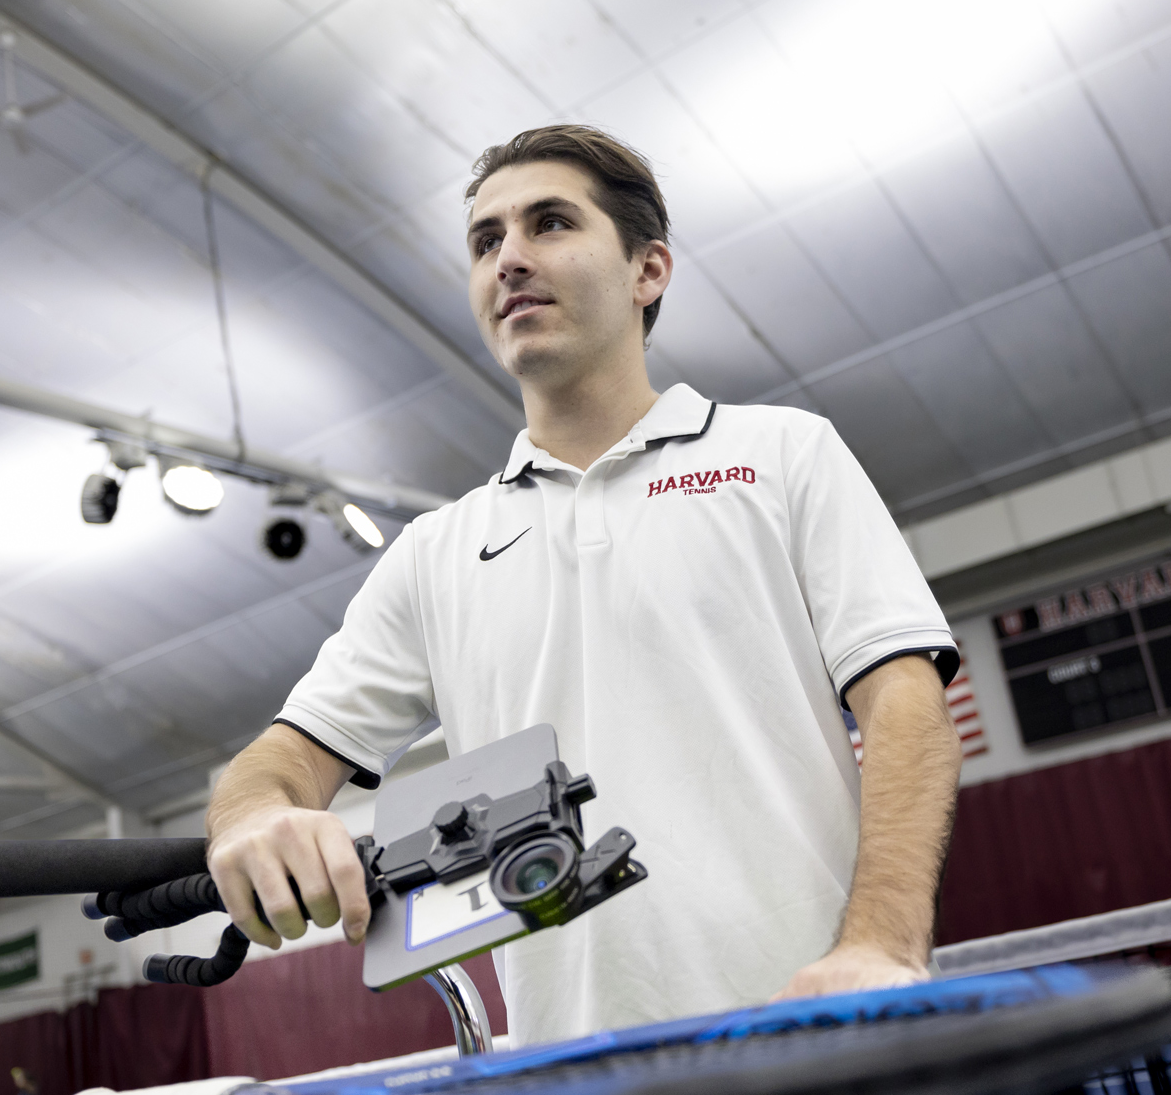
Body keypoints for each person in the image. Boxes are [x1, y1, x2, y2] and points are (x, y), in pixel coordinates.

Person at [205, 125, 962, 1046]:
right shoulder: (435, 554)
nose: (510, 259)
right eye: (486, 242)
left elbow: (906, 706)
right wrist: (252, 820)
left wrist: (883, 943)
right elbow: (280, 763)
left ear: (648, 272)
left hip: (827, 1078)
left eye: (550, 224)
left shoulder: (782, 454)